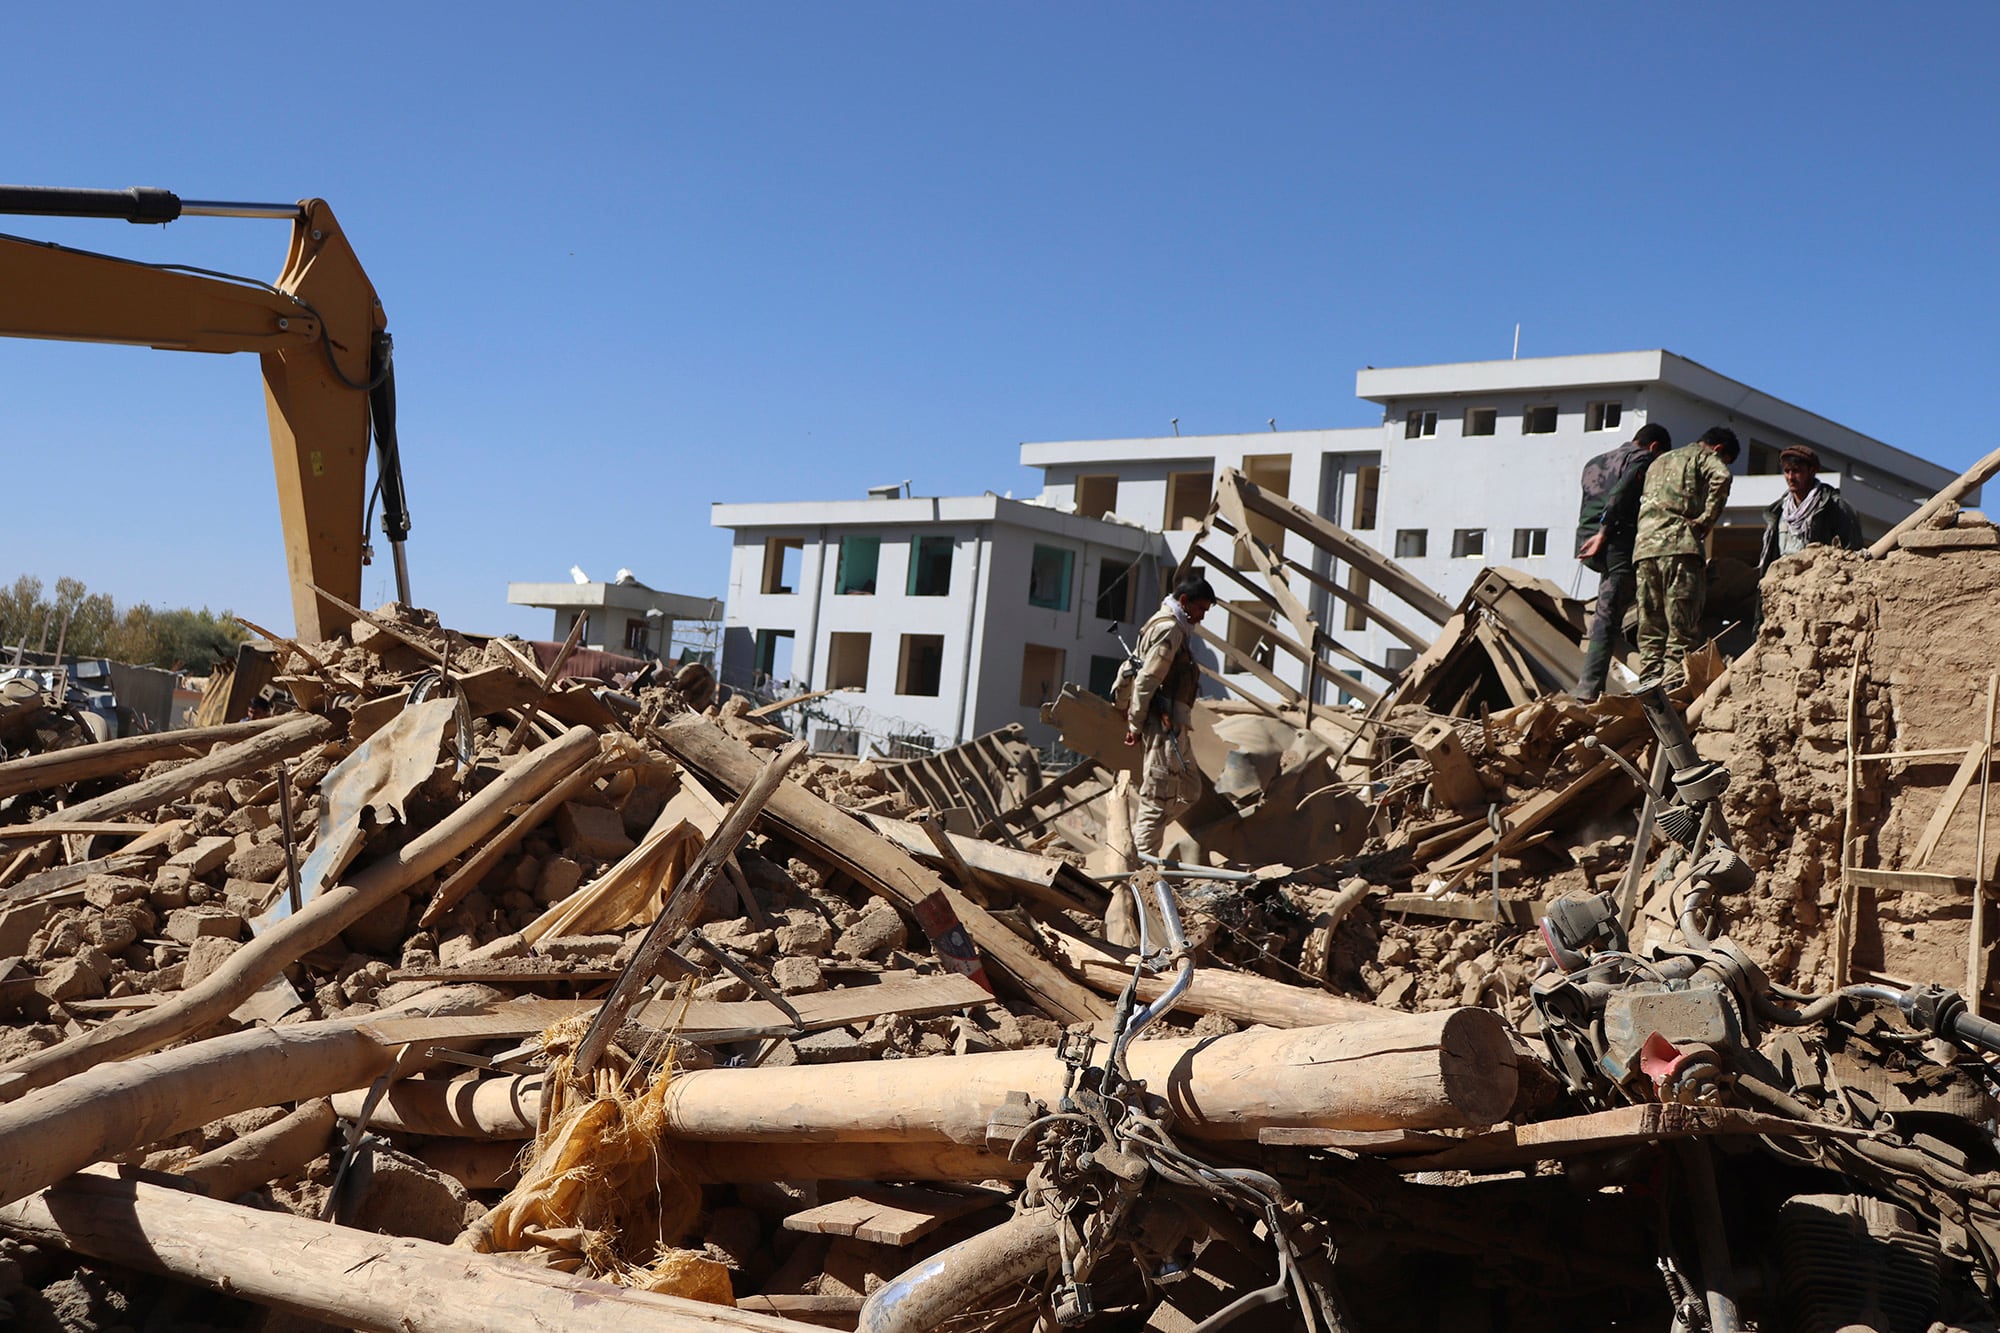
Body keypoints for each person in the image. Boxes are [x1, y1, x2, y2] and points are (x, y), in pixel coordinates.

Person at [1572, 422, 1673, 702]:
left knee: (1611, 609)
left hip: (1588, 539)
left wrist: (1593, 535)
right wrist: (1604, 534)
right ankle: (1588, 689)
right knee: (1608, 615)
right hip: (1614, 540)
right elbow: (1620, 495)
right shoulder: (1641, 459)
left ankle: (1594, 683)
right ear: (1654, 447)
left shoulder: (1596, 460)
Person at [1633, 426, 1739, 688]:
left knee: (1650, 632)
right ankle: (1672, 694)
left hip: (1645, 550)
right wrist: (1706, 520)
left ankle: (1648, 695)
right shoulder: (1702, 457)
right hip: (1680, 548)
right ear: (1718, 450)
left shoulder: (1659, 461)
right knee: (1682, 632)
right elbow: (1722, 476)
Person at [1122, 574, 1216, 858]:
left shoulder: (1170, 626)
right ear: (1184, 601)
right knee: (1156, 799)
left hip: (1174, 727)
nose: (1200, 617)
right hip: (1160, 727)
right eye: (1199, 609)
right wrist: (1135, 725)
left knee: (1190, 789)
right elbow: (1147, 680)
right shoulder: (1169, 630)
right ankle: (1136, 869)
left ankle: (1144, 842)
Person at [1758, 444, 1863, 575]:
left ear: (1812, 471)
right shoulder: (1779, 510)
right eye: (1786, 471)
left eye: (1796, 471)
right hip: (1783, 586)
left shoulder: (1835, 507)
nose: (1790, 477)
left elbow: (1852, 555)